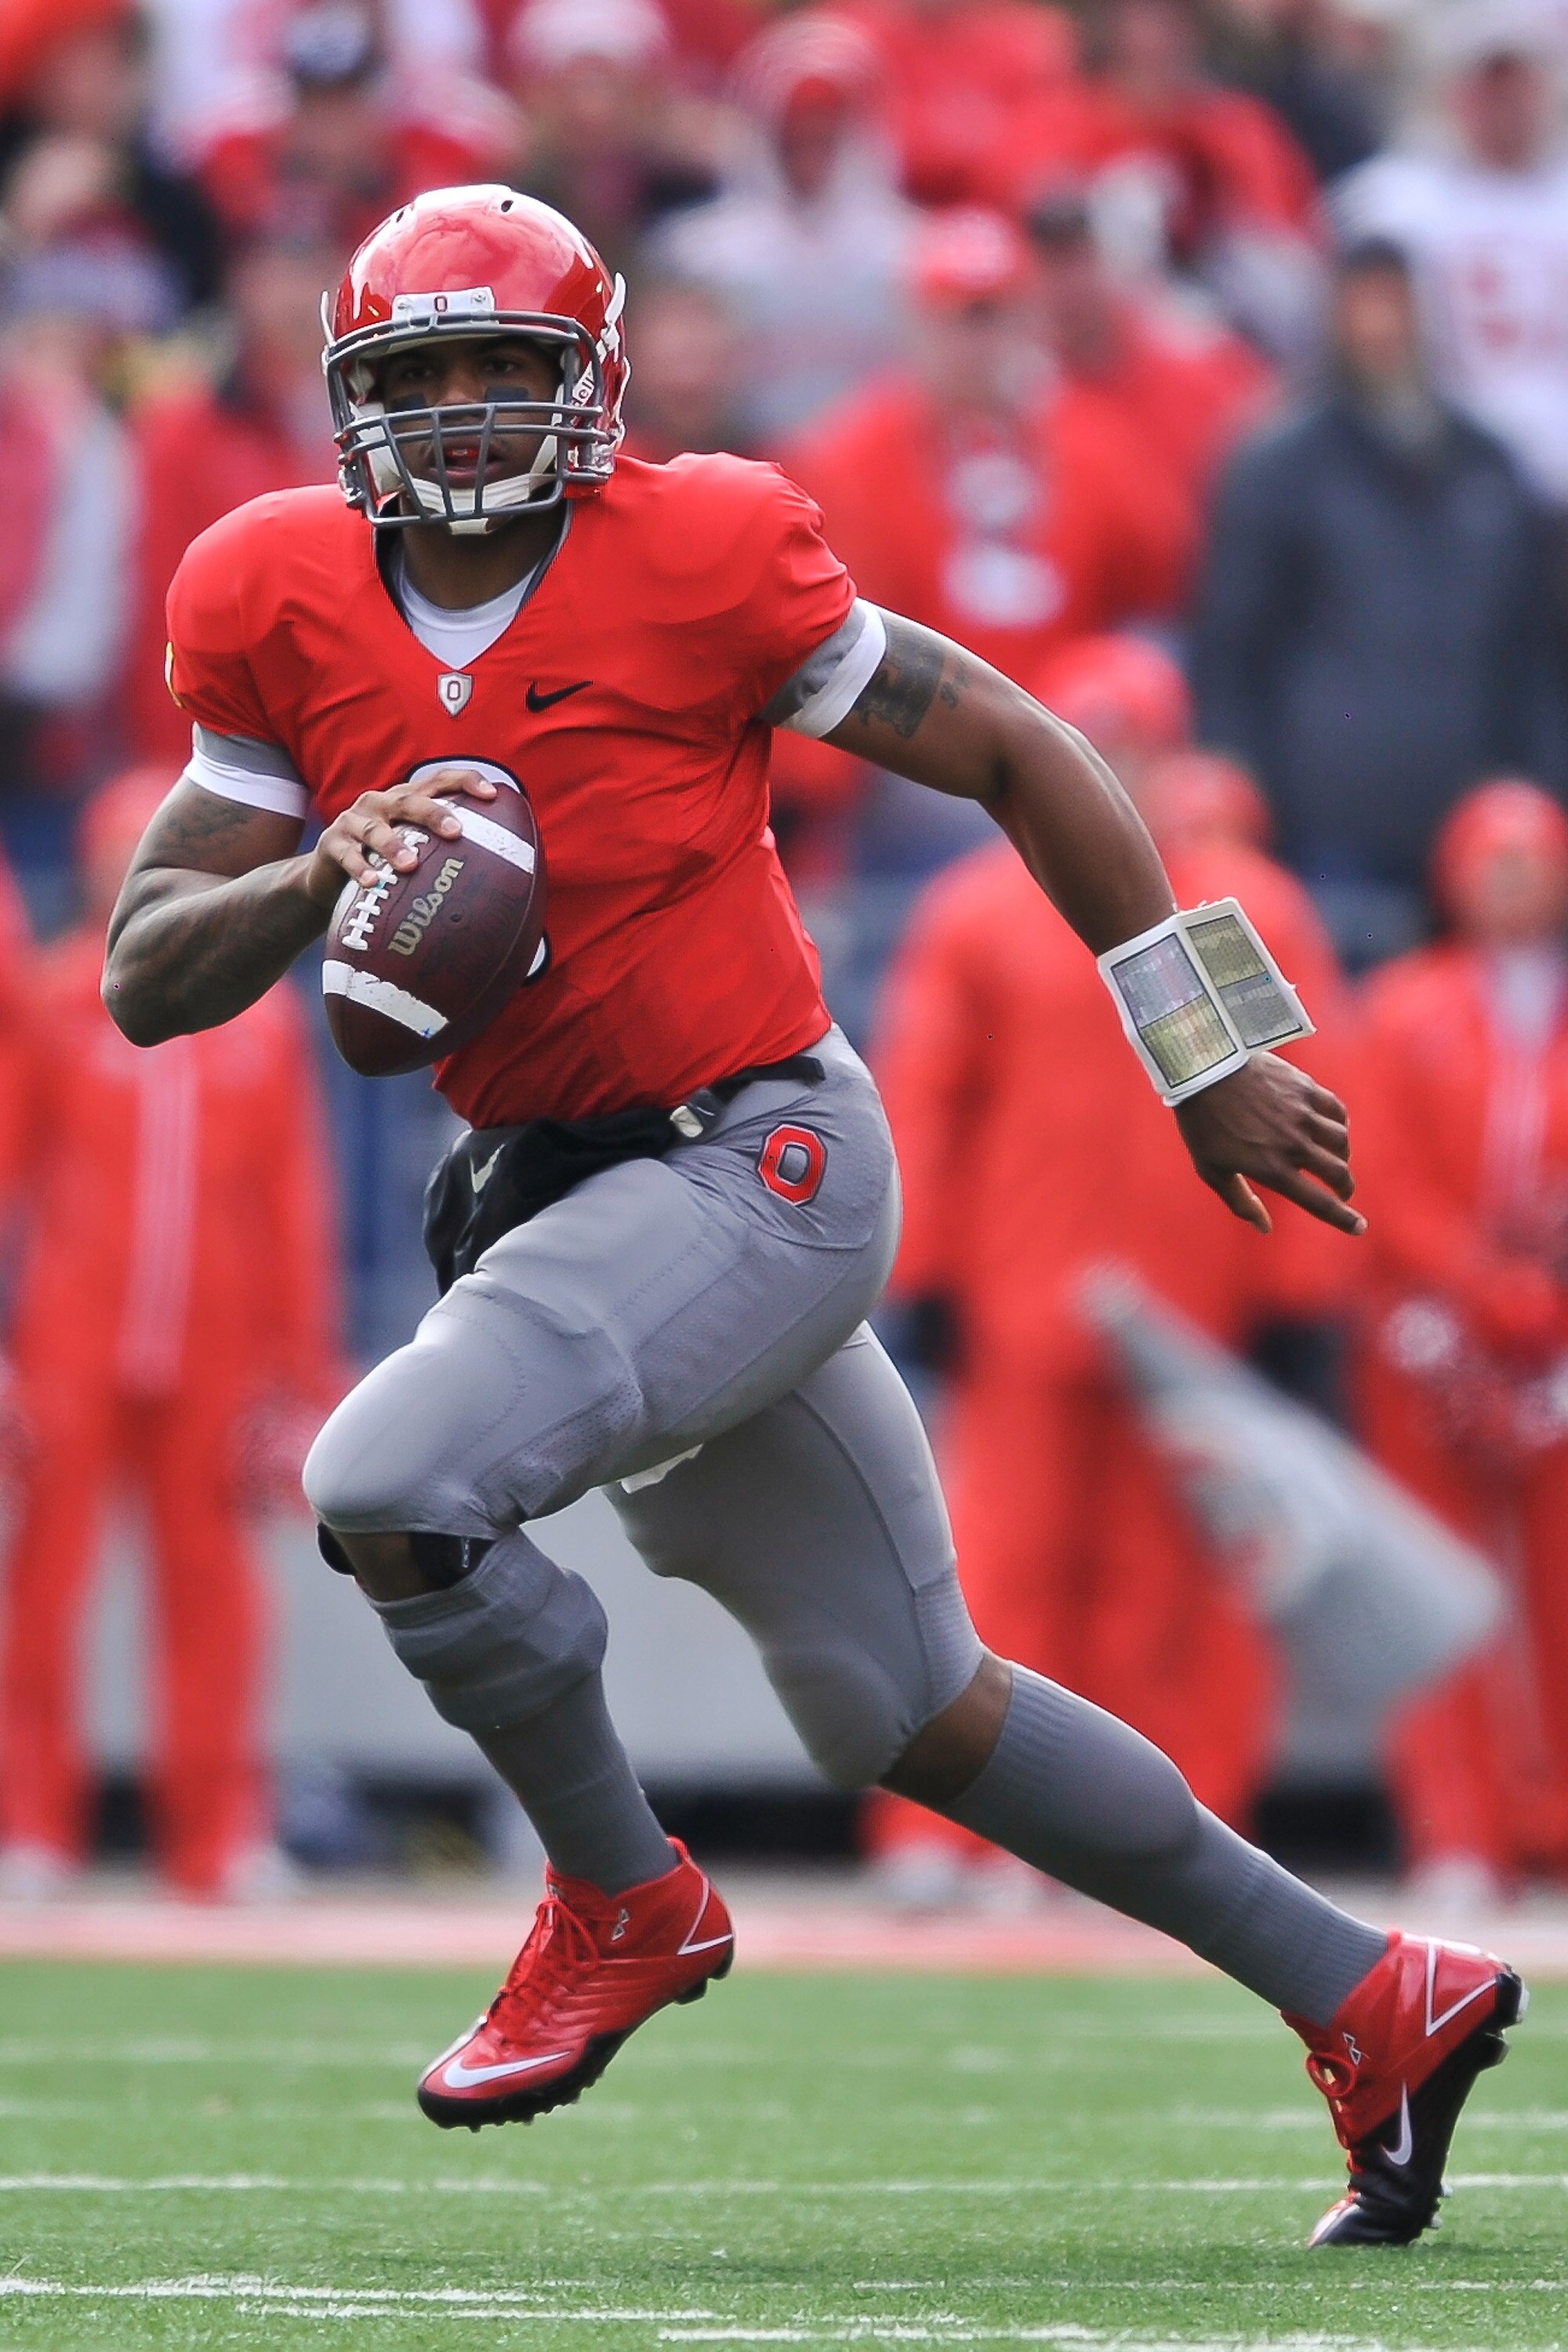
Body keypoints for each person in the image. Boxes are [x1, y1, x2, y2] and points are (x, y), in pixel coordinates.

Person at [102, 182, 1514, 2251]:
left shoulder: (705, 545)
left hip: (760, 1157)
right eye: (431, 373)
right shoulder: (271, 594)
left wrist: (1200, 1041)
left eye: (515, 365)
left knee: (390, 1479)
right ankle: (1378, 1995)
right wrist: (320, 873)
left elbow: (1018, 741)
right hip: (568, 1200)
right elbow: (146, 966)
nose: (475, 410)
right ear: (352, 399)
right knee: (905, 1710)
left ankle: (622, 1900)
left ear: (593, 383)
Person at [865, 650, 1345, 1904]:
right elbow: (929, 1101)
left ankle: (1175, 1840)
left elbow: (1305, 1105)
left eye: (1129, 741)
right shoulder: (980, 913)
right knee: (995, 1583)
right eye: (1091, 740)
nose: (1112, 763)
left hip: (1194, 1310)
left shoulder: (1242, 910)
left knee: (1174, 1600)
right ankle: (952, 1841)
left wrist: (1296, 1296)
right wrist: (929, 1270)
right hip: (1029, 1306)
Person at [0, 766, 343, 1901]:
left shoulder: (266, 1019)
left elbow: (296, 1205)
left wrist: (303, 1375)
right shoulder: (56, 999)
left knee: (216, 1600)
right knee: (44, 1590)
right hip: (70, 1341)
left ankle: (218, 1831)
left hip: (218, 1351)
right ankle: (33, 1828)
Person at [1192, 235, 1568, 969]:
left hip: (1478, 843)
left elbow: (1533, 660)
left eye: (1396, 302)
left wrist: (1543, 792)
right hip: (1326, 834)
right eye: (1363, 303)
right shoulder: (1279, 468)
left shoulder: (1490, 464)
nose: (1381, 327)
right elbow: (1230, 656)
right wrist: (1244, 814)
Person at [1353, 779, 1568, 1904]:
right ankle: (1461, 1830)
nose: (1513, 878)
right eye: (1494, 856)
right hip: (1432, 1333)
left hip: (1550, 1343)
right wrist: (1485, 1284)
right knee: (1439, 1587)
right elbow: (1384, 1175)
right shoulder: (1403, 1007)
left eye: (1532, 856)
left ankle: (1550, 1824)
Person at [786, 207, 1193, 688]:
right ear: (915, 323)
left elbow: (1161, 581)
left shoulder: (1097, 440)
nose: (977, 343)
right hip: (906, 720)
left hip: (1070, 716)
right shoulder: (847, 455)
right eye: (957, 320)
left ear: (1029, 318)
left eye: (993, 317)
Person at [1334, 0, 1568, 509]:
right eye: (1488, 83)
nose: (1504, 102)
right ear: (1453, 91)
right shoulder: (1393, 203)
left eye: (1518, 83)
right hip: (1445, 486)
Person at [650, 11, 917, 448]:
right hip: (741, 465)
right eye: (795, 136)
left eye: (826, 136)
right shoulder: (695, 254)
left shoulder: (912, 252)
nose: (809, 157)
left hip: (870, 481)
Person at [123, 236, 340, 767]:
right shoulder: (179, 429)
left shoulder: (383, 418)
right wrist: (172, 758)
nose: (296, 296)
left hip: (348, 736)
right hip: (220, 737)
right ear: (241, 284)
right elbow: (160, 603)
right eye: (278, 272)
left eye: (315, 270)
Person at [1029, 189, 1277, 514]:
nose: (1067, 285)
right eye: (1049, 264)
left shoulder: (1206, 367)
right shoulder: (1023, 403)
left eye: (1080, 258)